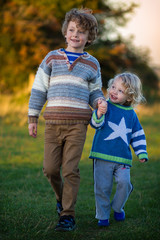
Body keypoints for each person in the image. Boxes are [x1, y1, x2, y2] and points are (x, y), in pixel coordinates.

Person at [28, 8, 107, 231]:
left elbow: (94, 93)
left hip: (77, 125)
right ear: (65, 32)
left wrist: (99, 102)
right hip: (53, 124)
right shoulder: (52, 58)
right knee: (50, 169)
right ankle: (61, 199)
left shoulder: (92, 64)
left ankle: (67, 215)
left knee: (70, 170)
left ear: (89, 37)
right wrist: (33, 116)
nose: (75, 35)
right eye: (72, 29)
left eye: (81, 32)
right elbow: (39, 89)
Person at [89, 72, 148, 227]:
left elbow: (137, 134)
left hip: (122, 157)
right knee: (102, 188)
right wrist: (99, 113)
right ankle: (102, 216)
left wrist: (141, 152)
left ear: (129, 97)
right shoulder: (105, 106)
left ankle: (117, 207)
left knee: (125, 182)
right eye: (113, 87)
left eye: (120, 90)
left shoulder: (132, 115)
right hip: (102, 155)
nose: (114, 91)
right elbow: (95, 124)